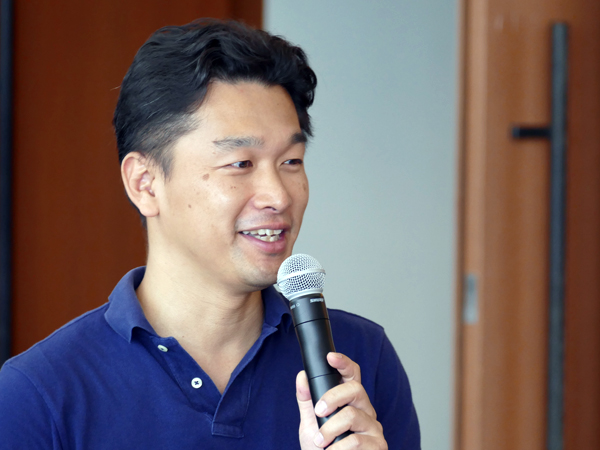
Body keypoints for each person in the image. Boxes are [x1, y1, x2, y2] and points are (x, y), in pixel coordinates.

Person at [0, 19, 420, 449]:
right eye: (240, 164)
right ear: (145, 184)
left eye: (291, 161)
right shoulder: (38, 395)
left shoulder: (361, 359)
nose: (278, 195)